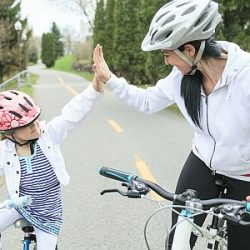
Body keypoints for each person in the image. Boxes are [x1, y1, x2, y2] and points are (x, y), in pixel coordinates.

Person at [92, 0, 250, 249]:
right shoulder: (181, 78)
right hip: (202, 162)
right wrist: (110, 79)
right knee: (178, 239)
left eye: (167, 54)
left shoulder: (246, 77)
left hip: (244, 173)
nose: (166, 62)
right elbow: (146, 101)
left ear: (189, 50)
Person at [0, 77, 103, 250]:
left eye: (35, 120)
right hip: (19, 206)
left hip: (48, 214)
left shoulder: (49, 135)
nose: (35, 126)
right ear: (10, 133)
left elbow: (72, 114)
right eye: (27, 125)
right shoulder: (4, 150)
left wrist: (93, 90)